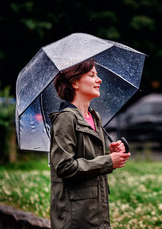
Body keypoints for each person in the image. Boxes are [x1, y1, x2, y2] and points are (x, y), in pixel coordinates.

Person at [49, 58, 130, 229]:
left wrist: (110, 155)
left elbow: (90, 162)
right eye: (92, 75)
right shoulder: (65, 119)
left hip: (96, 214)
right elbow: (64, 167)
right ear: (75, 83)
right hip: (75, 218)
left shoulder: (94, 117)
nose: (99, 79)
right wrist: (108, 161)